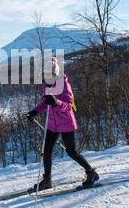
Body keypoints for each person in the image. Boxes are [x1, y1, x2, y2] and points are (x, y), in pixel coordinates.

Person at [27, 57, 99, 192]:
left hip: (66, 122)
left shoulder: (64, 84)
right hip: (52, 124)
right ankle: (47, 180)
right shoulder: (46, 85)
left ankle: (91, 173)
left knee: (71, 152)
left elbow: (68, 105)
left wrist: (56, 102)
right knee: (46, 152)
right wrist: (34, 112)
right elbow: (46, 102)